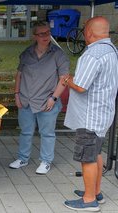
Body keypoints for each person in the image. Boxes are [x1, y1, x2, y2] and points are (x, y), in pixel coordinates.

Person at [63, 16, 118, 212]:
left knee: (87, 157)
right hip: (103, 113)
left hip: (90, 115)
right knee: (96, 154)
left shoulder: (93, 54)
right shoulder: (112, 51)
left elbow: (80, 86)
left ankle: (89, 200)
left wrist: (68, 80)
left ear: (88, 33)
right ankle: (96, 192)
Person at [9, 21, 69, 174]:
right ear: (34, 36)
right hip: (26, 100)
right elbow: (19, 75)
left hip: (47, 100)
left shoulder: (58, 54)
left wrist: (54, 98)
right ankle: (23, 158)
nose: (46, 36)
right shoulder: (26, 53)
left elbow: (64, 79)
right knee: (25, 131)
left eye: (48, 33)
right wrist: (16, 94)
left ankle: (46, 161)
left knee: (47, 133)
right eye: (42, 34)